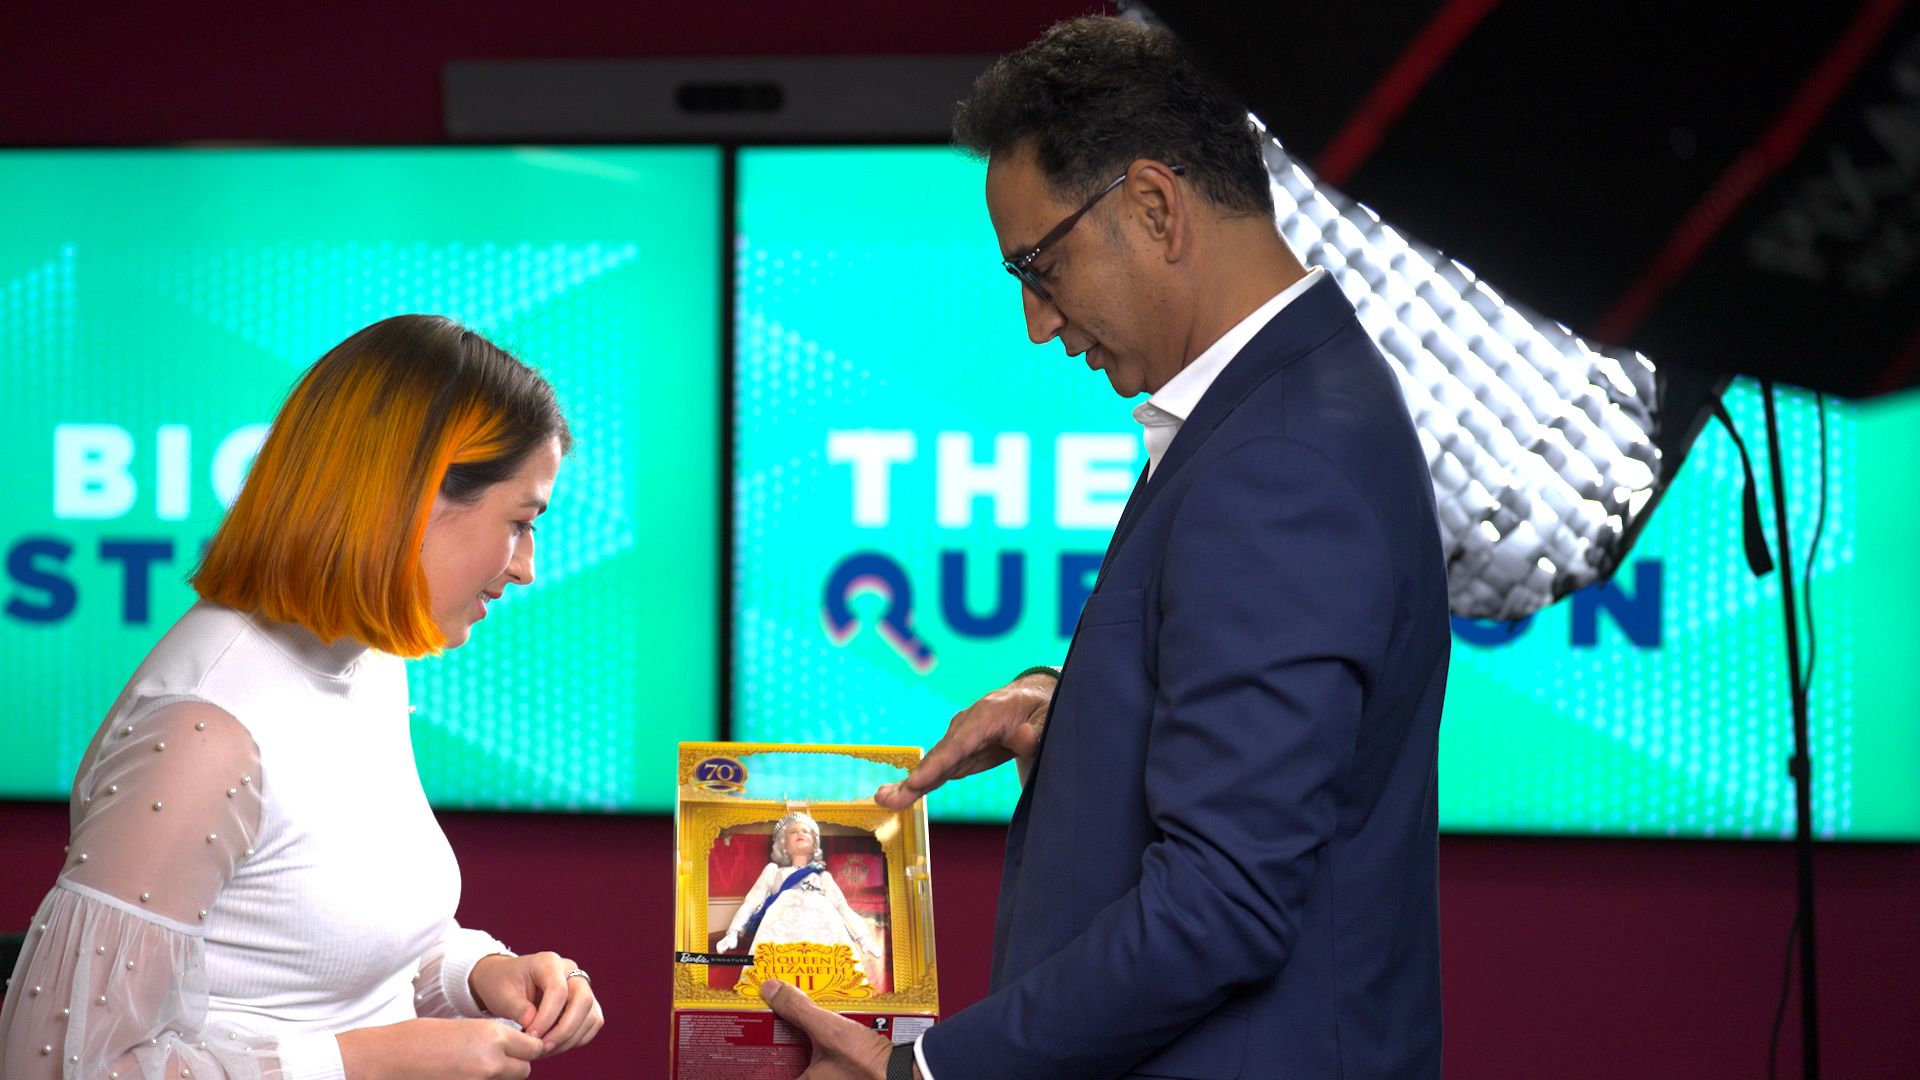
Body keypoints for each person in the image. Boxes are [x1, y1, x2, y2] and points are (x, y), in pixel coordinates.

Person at [760, 15, 1449, 1079]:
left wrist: (925, 1072)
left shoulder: (1280, 460)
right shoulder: (1284, 406)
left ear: (1155, 206)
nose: (1037, 322)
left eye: (1040, 265)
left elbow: (1221, 905)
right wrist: (1067, 707)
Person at [0, 315, 605, 1080]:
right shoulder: (202, 736)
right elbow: (60, 1069)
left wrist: (477, 973)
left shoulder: (369, 656)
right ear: (413, 497)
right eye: (519, 522)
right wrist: (369, 1063)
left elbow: (323, 947)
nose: (526, 566)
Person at [716, 812, 885, 983]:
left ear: (814, 844)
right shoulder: (774, 872)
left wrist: (864, 938)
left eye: (805, 831)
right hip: (780, 934)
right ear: (783, 843)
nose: (800, 833)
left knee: (826, 975)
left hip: (821, 934)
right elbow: (751, 901)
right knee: (775, 974)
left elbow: (842, 907)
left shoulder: (822, 876)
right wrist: (733, 932)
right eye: (793, 831)